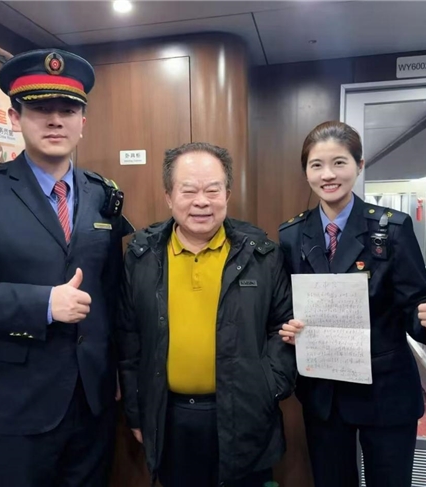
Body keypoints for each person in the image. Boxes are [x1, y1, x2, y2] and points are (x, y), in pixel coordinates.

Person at [0, 48, 133, 487]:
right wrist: (43, 304)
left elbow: (114, 291)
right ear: (15, 116)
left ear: (83, 121)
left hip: (92, 400)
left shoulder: (102, 194)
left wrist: (118, 371)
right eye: (41, 109)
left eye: (68, 110)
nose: (55, 121)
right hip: (16, 406)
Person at [278, 121, 426, 487]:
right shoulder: (292, 234)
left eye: (339, 163)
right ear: (306, 172)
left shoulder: (392, 229)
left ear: (359, 165)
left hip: (385, 391)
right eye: (316, 165)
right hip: (325, 394)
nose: (328, 175)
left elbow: (415, 306)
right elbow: (287, 306)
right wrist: (289, 327)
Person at [117, 142, 296, 487]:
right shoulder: (141, 257)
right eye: (188, 190)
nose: (202, 201)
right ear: (169, 197)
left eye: (213, 190)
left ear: (227, 195)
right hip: (170, 419)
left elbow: (283, 327)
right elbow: (129, 338)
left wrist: (267, 388)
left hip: (247, 416)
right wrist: (137, 413)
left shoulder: (262, 255)